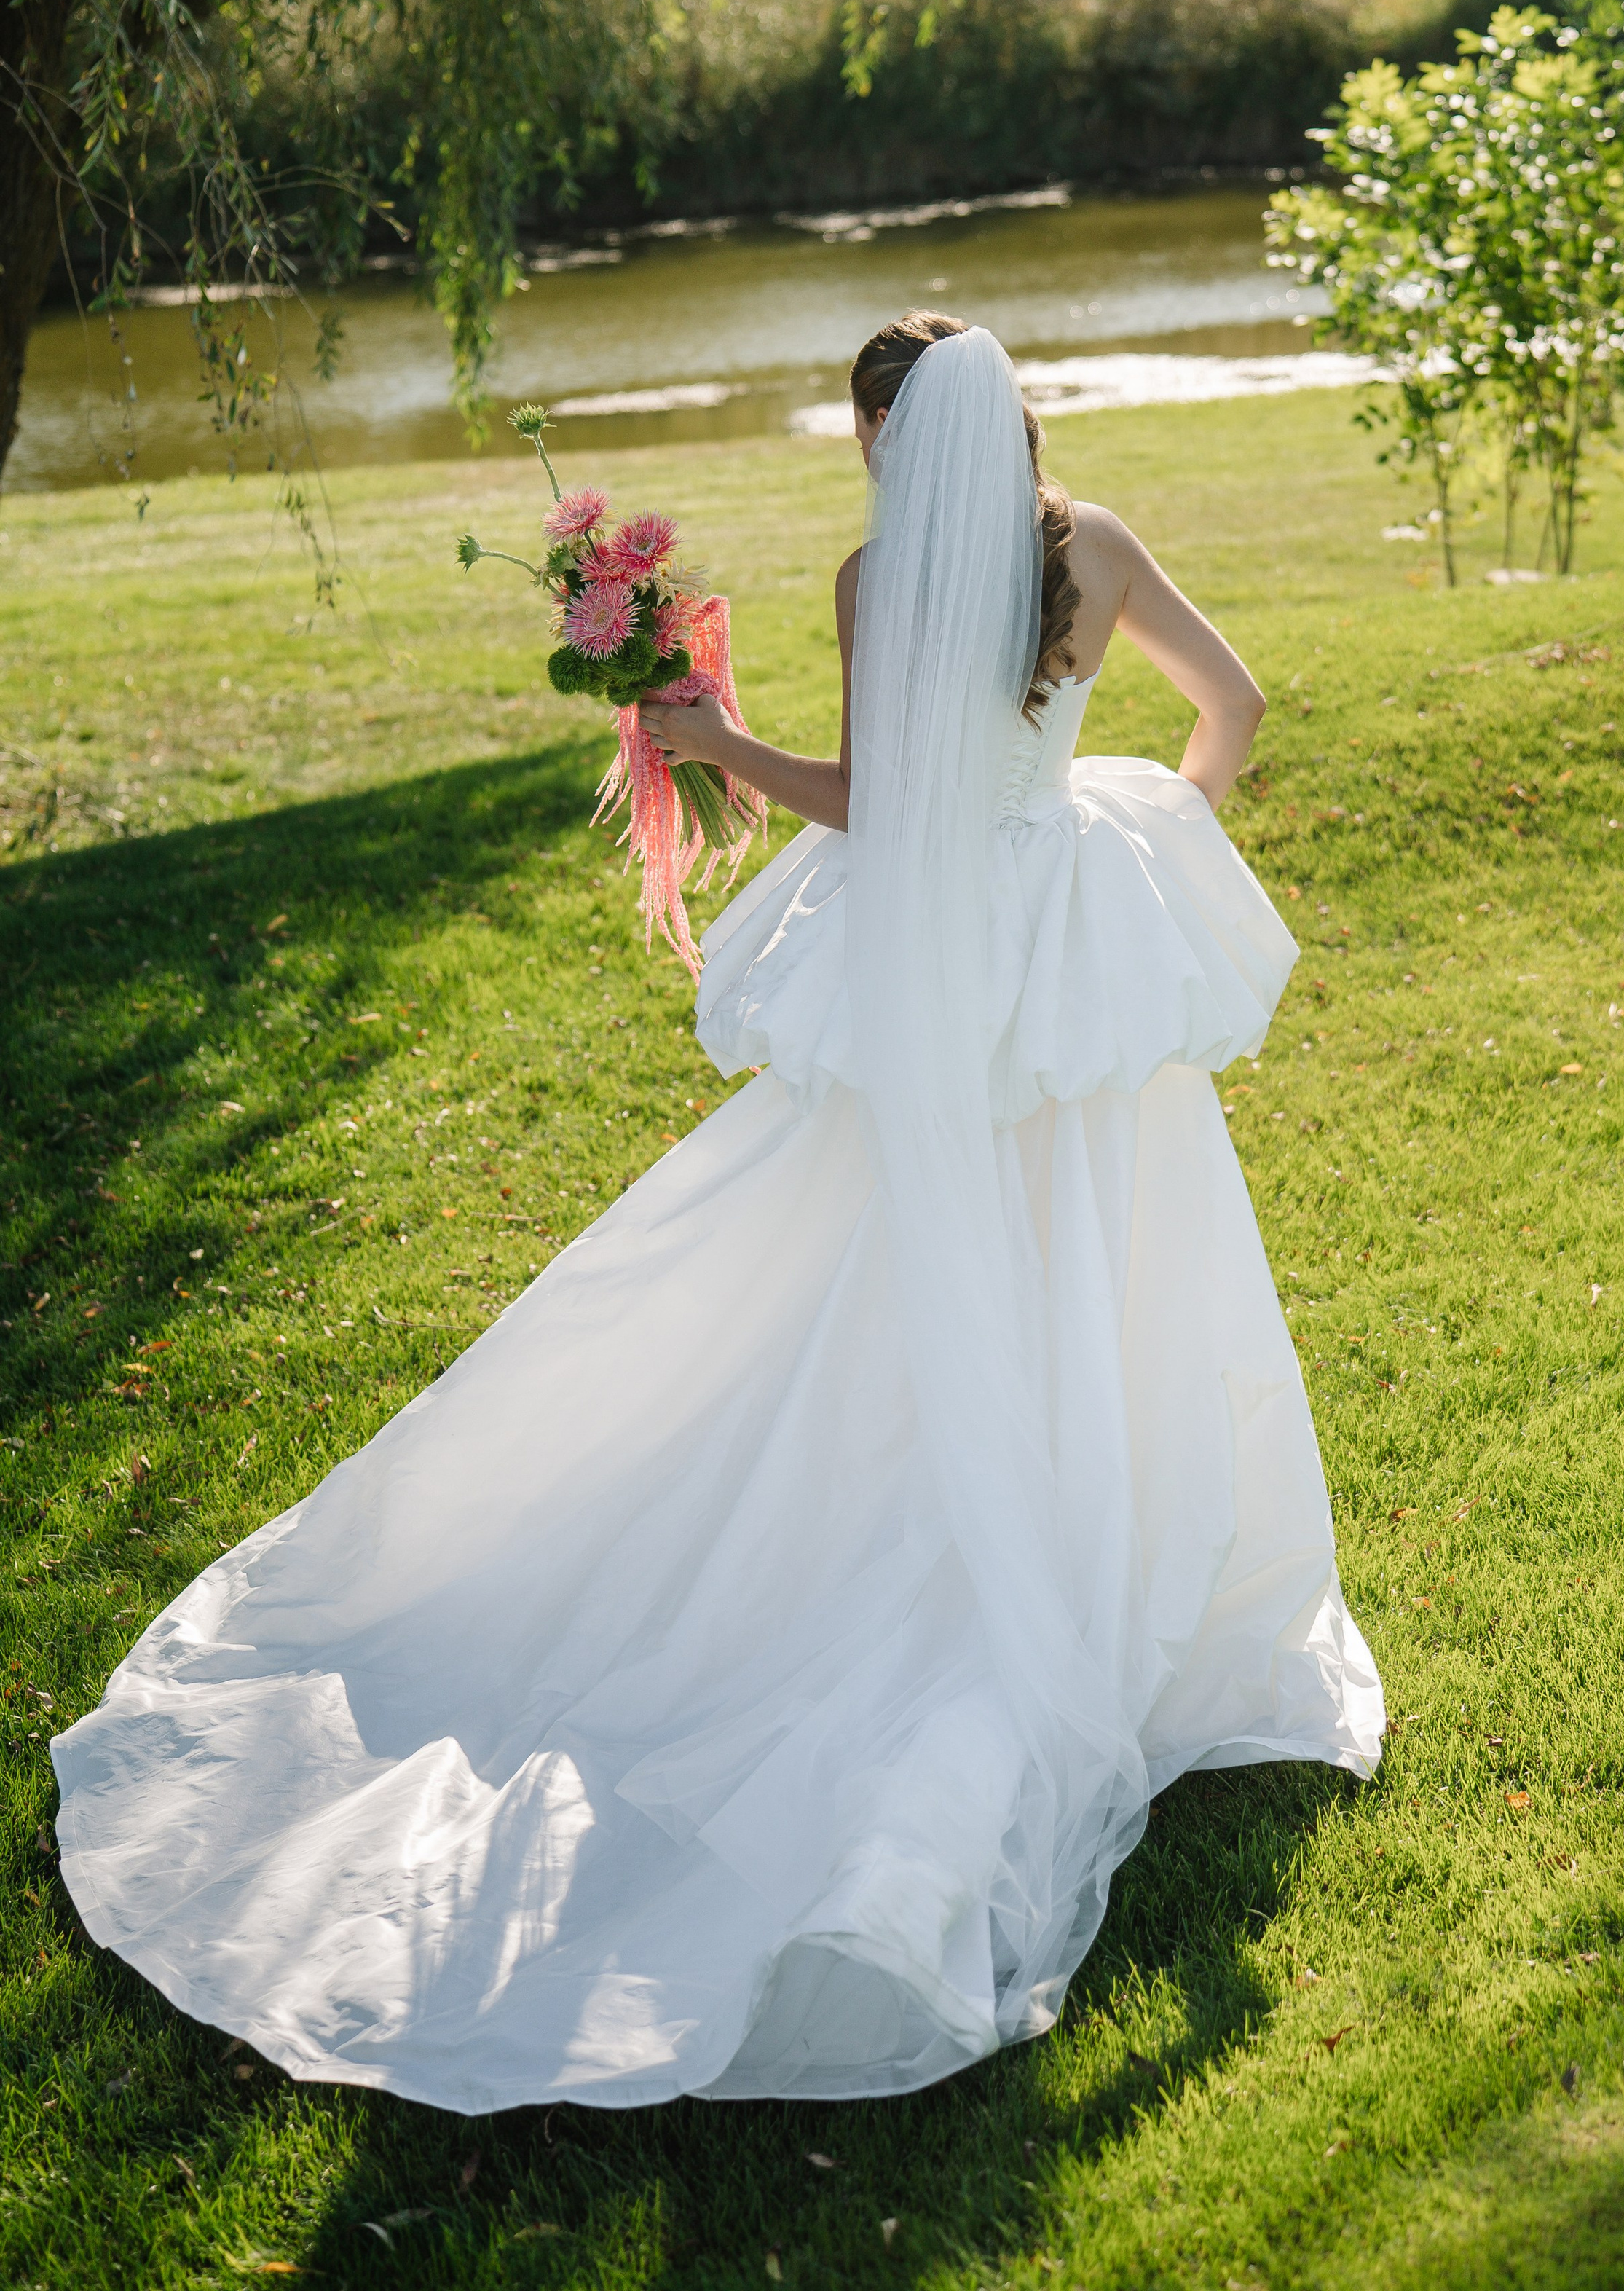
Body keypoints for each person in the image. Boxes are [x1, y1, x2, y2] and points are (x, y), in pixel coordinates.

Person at [54, 315, 1381, 2113]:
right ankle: (1110, 1539)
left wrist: (716, 738)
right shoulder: (1099, 546)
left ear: (882, 440)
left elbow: (885, 807)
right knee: (1102, 1266)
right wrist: (1122, 843)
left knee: (877, 1263)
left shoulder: (874, 575)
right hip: (1060, 967)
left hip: (931, 969)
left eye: (864, 434)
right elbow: (1231, 711)